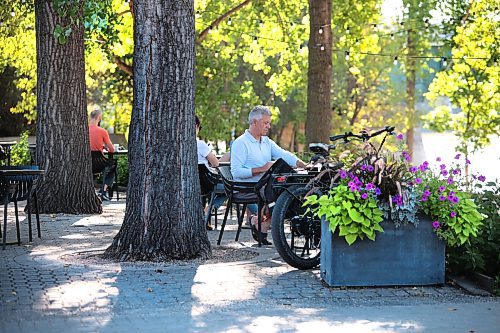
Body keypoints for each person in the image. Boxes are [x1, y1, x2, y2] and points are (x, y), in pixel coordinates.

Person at [231, 105, 307, 245]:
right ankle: (262, 224)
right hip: (248, 187)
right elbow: (236, 172)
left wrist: (303, 165)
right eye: (265, 123)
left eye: (269, 123)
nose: (269, 126)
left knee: (293, 190)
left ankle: (260, 222)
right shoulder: (240, 143)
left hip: (266, 185)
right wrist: (261, 169)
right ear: (254, 122)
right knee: (287, 193)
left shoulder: (266, 141)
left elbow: (284, 155)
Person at [196, 116, 227, 230]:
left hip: (194, 182)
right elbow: (215, 163)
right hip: (206, 183)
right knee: (229, 188)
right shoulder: (200, 144)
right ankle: (207, 211)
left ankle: (206, 214)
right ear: (196, 126)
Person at [89, 109, 116, 201]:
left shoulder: (83, 130)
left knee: (92, 171)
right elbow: (112, 149)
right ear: (99, 118)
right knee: (112, 166)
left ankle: (91, 190)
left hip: (86, 163)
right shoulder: (102, 131)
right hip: (99, 163)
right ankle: (103, 191)